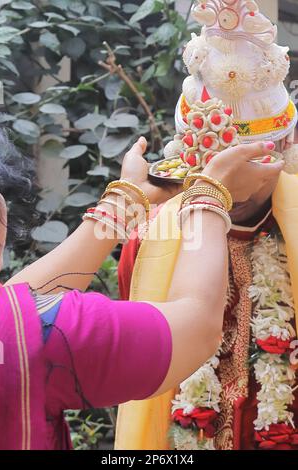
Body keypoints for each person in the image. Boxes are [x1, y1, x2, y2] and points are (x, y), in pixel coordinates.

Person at [0, 122, 280, 449]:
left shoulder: (17, 327)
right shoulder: (46, 335)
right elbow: (197, 327)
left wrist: (127, 198)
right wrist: (210, 193)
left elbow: (20, 307)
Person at [115, 0, 298, 451]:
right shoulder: (149, 240)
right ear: (188, 154)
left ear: (284, 149)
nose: (228, 181)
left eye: (248, 161)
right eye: (216, 165)